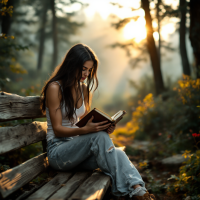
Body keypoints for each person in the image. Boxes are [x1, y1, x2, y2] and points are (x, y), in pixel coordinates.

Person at [40, 43, 155, 200]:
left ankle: (139, 192)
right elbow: (58, 129)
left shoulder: (84, 90)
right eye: (83, 68)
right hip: (59, 153)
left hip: (77, 152)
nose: (86, 73)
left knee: (118, 154)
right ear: (72, 64)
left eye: (89, 70)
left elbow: (85, 121)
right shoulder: (55, 88)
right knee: (100, 139)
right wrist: (88, 131)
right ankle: (128, 194)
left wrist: (103, 126)